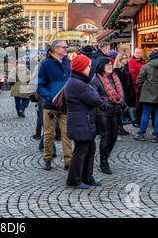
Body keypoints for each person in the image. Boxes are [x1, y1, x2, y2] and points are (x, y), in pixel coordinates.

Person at [65, 55, 107, 189]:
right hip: (81, 123)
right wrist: (104, 102)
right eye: (88, 66)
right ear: (81, 68)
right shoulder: (79, 84)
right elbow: (95, 99)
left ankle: (87, 177)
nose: (90, 68)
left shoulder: (79, 82)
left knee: (90, 149)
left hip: (84, 122)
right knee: (81, 151)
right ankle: (74, 180)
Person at [37, 39, 72, 171]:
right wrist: (50, 98)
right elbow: (40, 85)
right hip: (50, 105)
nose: (66, 49)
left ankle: (68, 161)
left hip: (66, 104)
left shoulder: (69, 63)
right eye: (63, 47)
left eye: (66, 47)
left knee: (67, 133)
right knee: (49, 133)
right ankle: (47, 159)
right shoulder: (46, 64)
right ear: (55, 48)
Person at [91, 58, 124, 174]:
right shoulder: (96, 79)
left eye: (111, 64)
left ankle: (105, 155)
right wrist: (104, 104)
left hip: (115, 109)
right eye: (107, 65)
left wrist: (121, 103)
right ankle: (103, 162)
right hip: (103, 111)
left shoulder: (115, 77)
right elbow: (95, 95)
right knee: (105, 136)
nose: (110, 66)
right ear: (101, 66)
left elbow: (120, 92)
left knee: (114, 136)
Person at [134, 49, 158, 143]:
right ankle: (155, 135)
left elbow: (139, 81)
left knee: (146, 114)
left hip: (148, 94)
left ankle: (141, 134)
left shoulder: (146, 67)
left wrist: (142, 91)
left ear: (150, 57)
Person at [113, 53, 136, 135]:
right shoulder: (116, 70)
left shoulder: (126, 69)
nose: (126, 60)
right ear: (119, 60)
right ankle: (119, 128)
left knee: (123, 111)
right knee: (120, 111)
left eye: (126, 58)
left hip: (127, 92)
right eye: (123, 58)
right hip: (121, 93)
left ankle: (121, 128)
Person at [129, 48, 146, 128]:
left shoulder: (144, 61)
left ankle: (141, 120)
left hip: (144, 85)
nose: (137, 54)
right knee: (138, 104)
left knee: (142, 104)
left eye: (139, 53)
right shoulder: (131, 61)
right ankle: (136, 120)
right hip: (137, 85)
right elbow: (133, 74)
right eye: (136, 53)